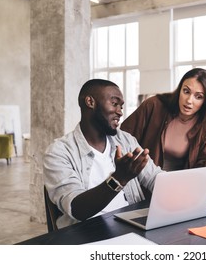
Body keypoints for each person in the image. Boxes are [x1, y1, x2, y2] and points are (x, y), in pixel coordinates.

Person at [43, 79, 164, 229]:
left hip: (129, 226)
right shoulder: (58, 152)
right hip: (85, 233)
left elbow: (155, 178)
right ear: (90, 102)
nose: (120, 112)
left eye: (121, 106)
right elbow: (77, 209)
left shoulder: (126, 140)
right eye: (114, 103)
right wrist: (119, 179)